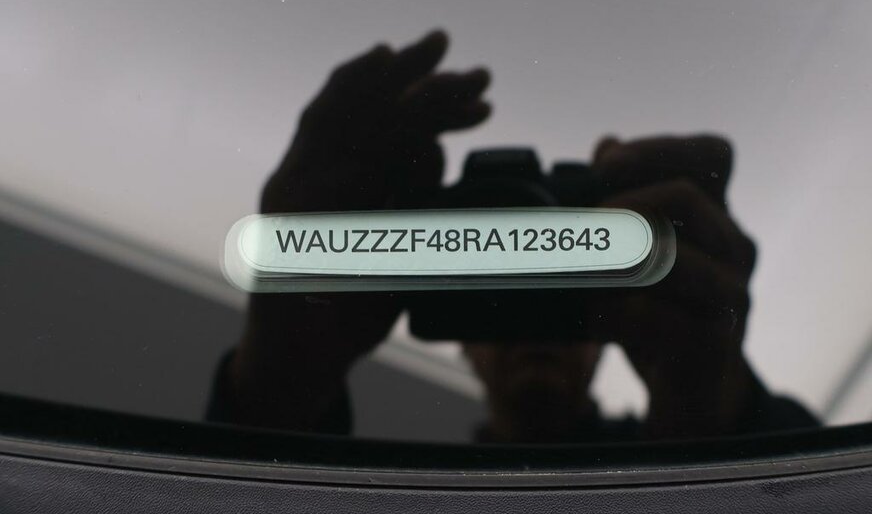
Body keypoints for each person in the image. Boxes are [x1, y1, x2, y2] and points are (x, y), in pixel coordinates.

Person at [208, 30, 817, 442]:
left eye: (557, 267)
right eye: (496, 278)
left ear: (612, 320)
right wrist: (280, 379)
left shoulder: (400, 490)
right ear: (458, 332)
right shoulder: (404, 490)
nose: (529, 319)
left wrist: (718, 409)